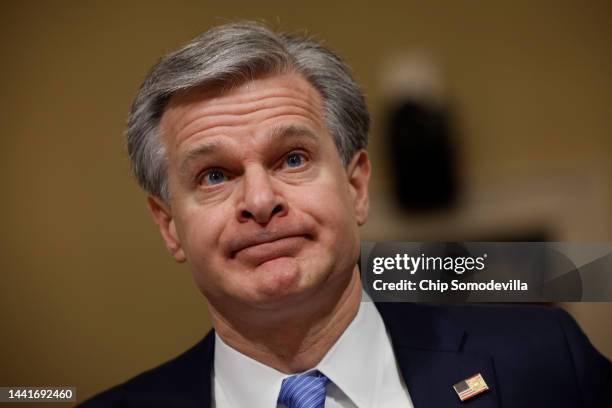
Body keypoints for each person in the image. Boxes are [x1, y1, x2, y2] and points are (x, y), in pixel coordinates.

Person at [80, 22, 611, 407]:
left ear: (357, 187)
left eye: (292, 159)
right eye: (215, 175)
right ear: (169, 225)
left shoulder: (543, 360)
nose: (260, 201)